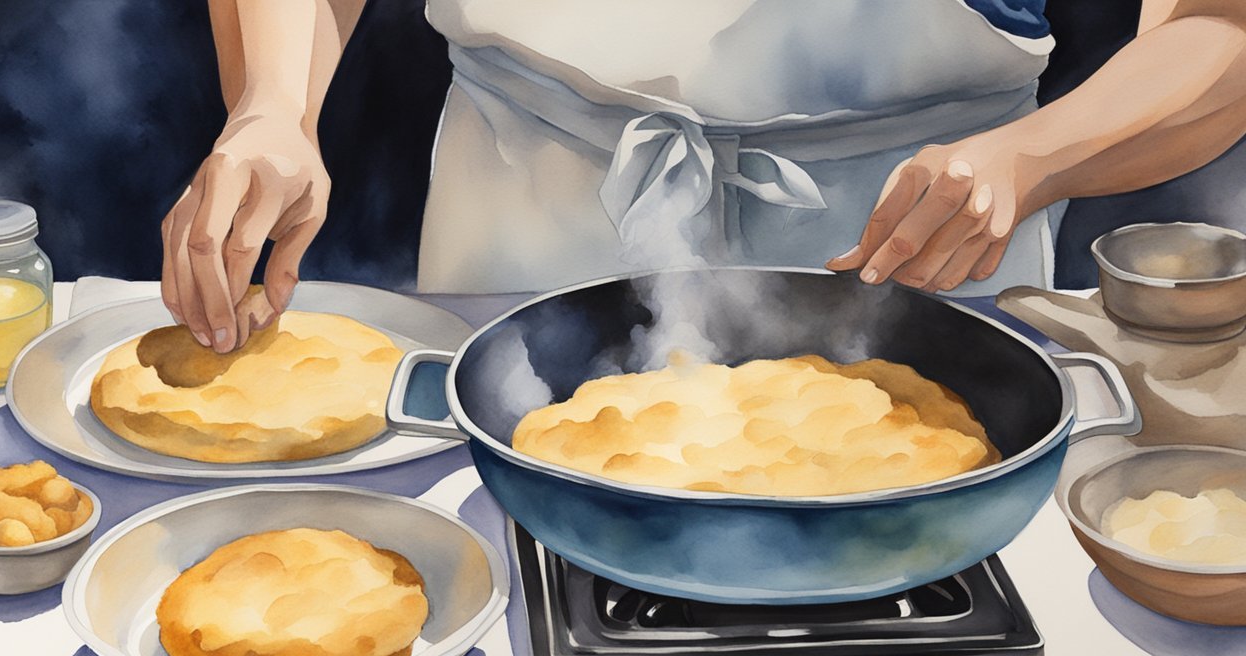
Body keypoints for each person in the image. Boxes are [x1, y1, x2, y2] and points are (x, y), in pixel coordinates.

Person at [162, 0, 1246, 353]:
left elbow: (1217, 29)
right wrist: (273, 104)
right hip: (524, 242)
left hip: (914, 259)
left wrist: (1037, 157)